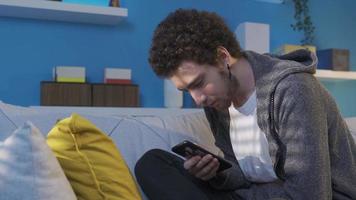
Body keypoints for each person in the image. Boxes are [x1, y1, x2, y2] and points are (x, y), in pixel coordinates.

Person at [134, 9, 356, 200]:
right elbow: (243, 175)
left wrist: (248, 193)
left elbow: (310, 195)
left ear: (222, 57)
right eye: (186, 90)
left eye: (199, 83)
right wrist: (216, 174)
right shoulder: (219, 103)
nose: (198, 99)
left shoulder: (293, 89)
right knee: (152, 164)